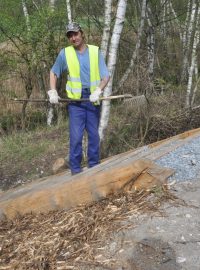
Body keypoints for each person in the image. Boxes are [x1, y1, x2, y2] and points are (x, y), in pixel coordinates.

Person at [48, 22, 110, 175]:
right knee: (76, 137)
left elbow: (106, 76)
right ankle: (75, 170)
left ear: (81, 33)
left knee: (93, 135)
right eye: (70, 35)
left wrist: (98, 90)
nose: (73, 38)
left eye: (75, 34)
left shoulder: (95, 51)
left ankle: (94, 166)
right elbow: (53, 72)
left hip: (92, 99)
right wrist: (53, 91)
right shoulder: (65, 53)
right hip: (75, 102)